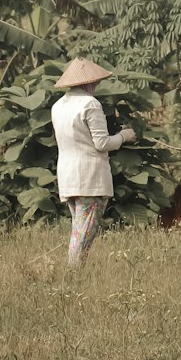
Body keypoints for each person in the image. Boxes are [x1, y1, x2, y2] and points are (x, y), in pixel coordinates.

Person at [50, 58, 136, 267]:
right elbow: (102, 143)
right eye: (95, 82)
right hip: (90, 177)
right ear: (89, 82)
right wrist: (125, 135)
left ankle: (74, 271)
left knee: (79, 229)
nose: (96, 86)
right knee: (83, 234)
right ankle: (72, 273)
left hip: (68, 175)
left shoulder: (58, 105)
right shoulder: (90, 103)